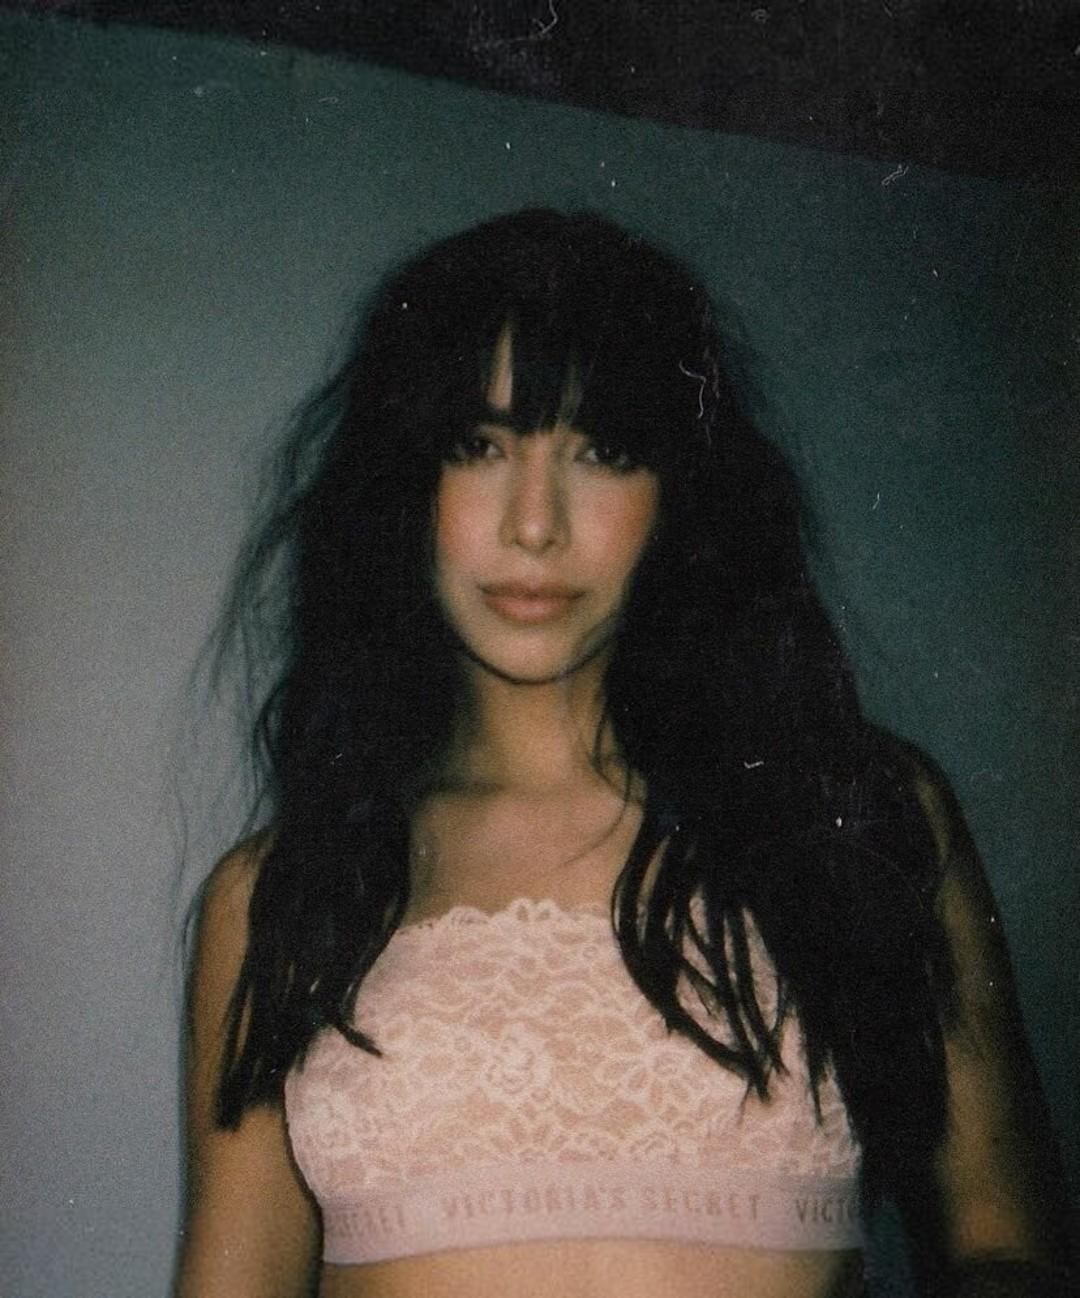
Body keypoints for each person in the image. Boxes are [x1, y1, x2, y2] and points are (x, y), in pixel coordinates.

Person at [175, 209, 1072, 1298]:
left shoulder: (868, 810)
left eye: (603, 452)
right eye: (479, 446)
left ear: (677, 491)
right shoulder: (274, 896)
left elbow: (1006, 1246)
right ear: (403, 482)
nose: (536, 525)